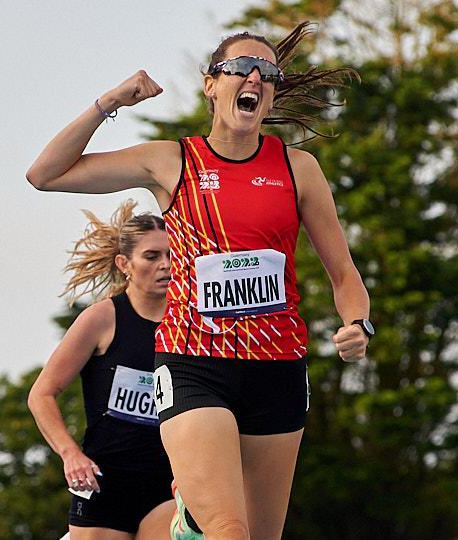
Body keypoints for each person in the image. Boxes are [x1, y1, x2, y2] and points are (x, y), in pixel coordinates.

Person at [27, 22, 373, 540]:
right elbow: (46, 174)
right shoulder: (172, 160)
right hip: (194, 364)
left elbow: (344, 273)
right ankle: (198, 518)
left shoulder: (297, 168)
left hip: (277, 367)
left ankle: (187, 524)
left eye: (267, 73)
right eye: (240, 68)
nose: (254, 77)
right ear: (211, 85)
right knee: (229, 530)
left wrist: (358, 324)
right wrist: (111, 102)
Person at [28, 201, 175, 540]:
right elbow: (41, 394)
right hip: (104, 481)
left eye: (171, 255)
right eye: (152, 257)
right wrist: (70, 454)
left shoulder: (189, 322)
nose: (166, 265)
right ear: (124, 264)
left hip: (168, 483)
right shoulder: (102, 319)